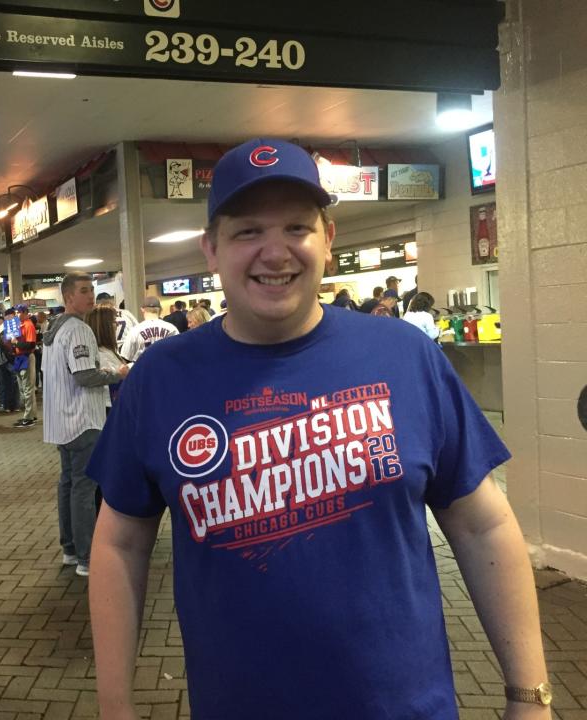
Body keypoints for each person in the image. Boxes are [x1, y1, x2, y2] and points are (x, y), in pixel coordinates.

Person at [87, 138, 549, 720]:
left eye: (297, 228)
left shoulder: (405, 355)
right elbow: (118, 543)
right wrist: (114, 705)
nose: (274, 252)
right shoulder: (161, 379)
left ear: (328, 240)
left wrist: (528, 697)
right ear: (211, 249)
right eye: (248, 231)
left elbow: (483, 527)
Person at [41, 272, 129, 578]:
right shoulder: (79, 330)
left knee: (68, 484)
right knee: (83, 488)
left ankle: (69, 549)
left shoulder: (52, 329)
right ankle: (87, 557)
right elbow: (85, 376)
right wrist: (118, 373)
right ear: (68, 297)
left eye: (92, 290)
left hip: (59, 422)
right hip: (83, 419)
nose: (90, 296)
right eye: (83, 291)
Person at [120, 296, 179, 362]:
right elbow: (179, 353)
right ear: (160, 309)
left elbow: (126, 358)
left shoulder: (135, 330)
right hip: (167, 369)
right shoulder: (172, 328)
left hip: (144, 370)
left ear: (142, 309)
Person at [12, 304, 38, 428]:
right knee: (25, 389)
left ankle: (28, 417)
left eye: (19, 312)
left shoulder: (28, 325)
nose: (17, 314)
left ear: (25, 312)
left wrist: (16, 343)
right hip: (19, 358)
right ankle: (31, 415)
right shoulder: (19, 325)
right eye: (17, 312)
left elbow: (30, 345)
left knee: (27, 389)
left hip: (26, 357)